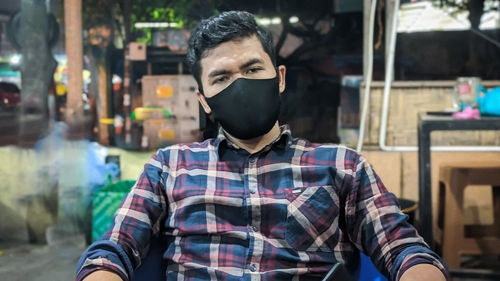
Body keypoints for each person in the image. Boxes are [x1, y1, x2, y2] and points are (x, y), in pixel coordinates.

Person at [76, 11, 448, 281]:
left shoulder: (342, 166)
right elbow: (113, 249)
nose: (239, 84)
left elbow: (403, 248)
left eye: (253, 69)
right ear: (204, 100)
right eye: (221, 77)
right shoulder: (169, 168)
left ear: (278, 77)